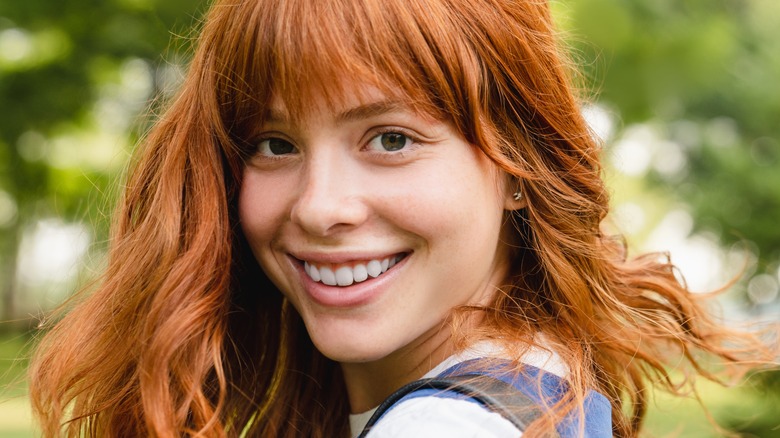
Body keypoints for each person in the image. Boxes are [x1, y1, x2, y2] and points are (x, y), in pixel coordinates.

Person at [29, 0, 773, 436]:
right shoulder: (547, 386)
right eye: (274, 143)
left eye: (391, 139)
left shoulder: (447, 425)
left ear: (521, 166)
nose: (320, 206)